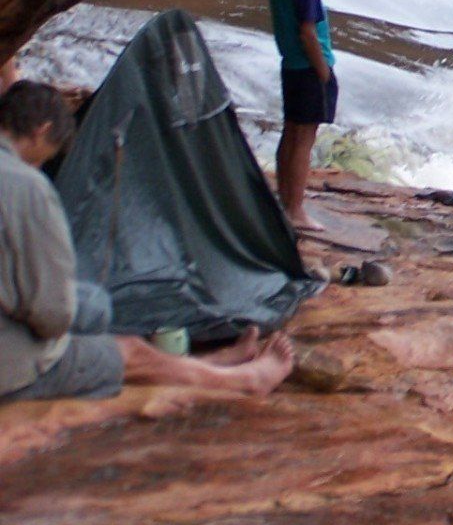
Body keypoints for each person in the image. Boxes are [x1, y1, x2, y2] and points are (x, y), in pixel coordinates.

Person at [0, 82, 294, 403]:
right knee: (128, 350)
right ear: (42, 131)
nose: (41, 166)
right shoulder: (27, 187)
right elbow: (50, 315)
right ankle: (245, 381)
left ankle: (199, 365)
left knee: (93, 305)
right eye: (45, 158)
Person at [269, 0, 336, 230]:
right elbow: (308, 31)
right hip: (309, 67)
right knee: (304, 138)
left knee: (290, 133)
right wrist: (323, 69)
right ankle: (296, 211)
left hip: (290, 65)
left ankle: (285, 203)